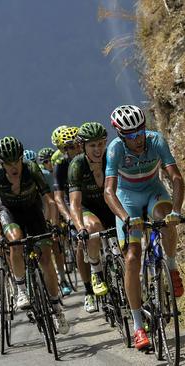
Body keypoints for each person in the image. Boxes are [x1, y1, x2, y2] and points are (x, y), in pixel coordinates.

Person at [103, 105, 185, 350]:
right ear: (120, 135)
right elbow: (108, 191)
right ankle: (139, 326)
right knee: (131, 257)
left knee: (164, 218)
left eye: (140, 132)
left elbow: (176, 178)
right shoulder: (115, 149)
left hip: (153, 191)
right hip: (126, 198)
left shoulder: (156, 140)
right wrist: (125, 218)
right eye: (129, 135)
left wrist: (177, 212)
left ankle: (171, 267)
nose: (137, 139)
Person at [0, 136, 70, 334]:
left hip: (33, 210)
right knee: (15, 241)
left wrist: (53, 224)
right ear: (1, 163)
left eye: (17, 160)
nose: (14, 166)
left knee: (46, 260)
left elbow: (49, 201)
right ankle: (22, 290)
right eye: (9, 163)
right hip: (10, 212)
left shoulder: (31, 168)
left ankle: (56, 308)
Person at [54, 126, 98, 313]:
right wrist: (69, 218)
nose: (76, 150)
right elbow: (58, 198)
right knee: (81, 243)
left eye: (77, 145)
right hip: (74, 207)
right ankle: (88, 290)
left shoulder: (90, 159)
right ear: (64, 150)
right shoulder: (62, 167)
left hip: (93, 201)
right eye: (70, 148)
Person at [68, 122, 114, 300]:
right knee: (93, 227)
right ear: (83, 146)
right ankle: (96, 271)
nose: (98, 149)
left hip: (110, 205)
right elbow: (75, 203)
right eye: (92, 145)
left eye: (101, 144)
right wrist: (81, 228)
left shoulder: (111, 157)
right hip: (88, 208)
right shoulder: (76, 165)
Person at [34, 146, 72, 296]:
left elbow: (54, 201)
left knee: (55, 245)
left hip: (48, 212)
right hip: (32, 214)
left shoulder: (45, 176)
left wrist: (54, 224)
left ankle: (62, 279)